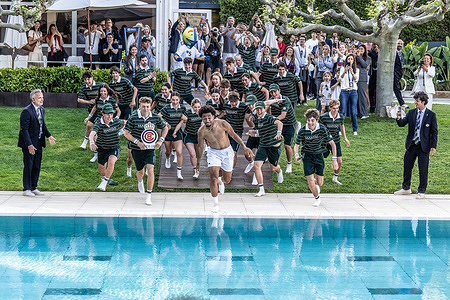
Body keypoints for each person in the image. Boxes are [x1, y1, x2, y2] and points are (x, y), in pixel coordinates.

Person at [197, 105, 253, 212]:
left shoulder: (222, 123)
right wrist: (198, 162)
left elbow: (233, 135)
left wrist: (245, 147)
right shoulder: (201, 131)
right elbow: (200, 147)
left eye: (209, 117)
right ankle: (215, 204)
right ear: (202, 118)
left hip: (227, 152)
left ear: (213, 116)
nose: (207, 120)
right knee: (213, 177)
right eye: (204, 118)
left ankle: (221, 181)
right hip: (213, 153)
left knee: (227, 180)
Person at [124, 97, 169, 205]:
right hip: (137, 148)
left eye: (148, 106)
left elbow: (165, 127)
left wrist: (160, 140)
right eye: (143, 106)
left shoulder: (155, 117)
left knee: (150, 170)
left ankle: (148, 195)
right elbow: (126, 132)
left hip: (150, 149)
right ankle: (140, 182)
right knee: (140, 171)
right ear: (139, 106)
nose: (145, 109)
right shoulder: (133, 117)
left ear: (150, 107)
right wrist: (137, 142)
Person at [394, 91, 437, 199]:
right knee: (407, 167)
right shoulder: (411, 113)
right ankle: (406, 188)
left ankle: (421, 191)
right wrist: (399, 118)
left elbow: (434, 132)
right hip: (412, 144)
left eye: (417, 101)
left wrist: (433, 146)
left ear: (423, 102)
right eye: (415, 100)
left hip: (424, 146)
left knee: (423, 169)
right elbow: (402, 124)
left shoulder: (431, 115)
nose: (415, 103)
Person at [294, 109, 338, 207]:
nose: (310, 123)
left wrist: (334, 159)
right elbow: (296, 144)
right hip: (307, 156)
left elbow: (332, 144)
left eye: (312, 120)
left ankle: (315, 186)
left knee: (319, 183)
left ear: (317, 120)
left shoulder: (322, 129)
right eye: (308, 120)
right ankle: (317, 198)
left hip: (319, 155)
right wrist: (296, 154)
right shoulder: (302, 130)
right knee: (310, 180)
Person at [18, 89, 56, 197]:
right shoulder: (27, 111)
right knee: (29, 165)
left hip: (39, 142)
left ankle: (33, 187)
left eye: (42, 97)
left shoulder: (41, 109)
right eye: (40, 98)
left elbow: (42, 125)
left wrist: (49, 136)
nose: (42, 99)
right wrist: (29, 145)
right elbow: (24, 130)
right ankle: (26, 189)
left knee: (36, 165)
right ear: (33, 99)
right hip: (29, 143)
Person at [248, 101, 284, 197]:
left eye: (260, 109)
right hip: (263, 145)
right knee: (257, 165)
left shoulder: (269, 117)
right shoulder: (258, 119)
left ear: (265, 109)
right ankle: (261, 189)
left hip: (273, 146)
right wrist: (254, 133)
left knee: (273, 167)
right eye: (257, 109)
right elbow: (262, 132)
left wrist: (279, 132)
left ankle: (279, 171)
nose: (259, 111)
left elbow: (279, 123)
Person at [109, 66, 138, 177]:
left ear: (119, 74)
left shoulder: (125, 80)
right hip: (119, 104)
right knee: (119, 119)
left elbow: (135, 89)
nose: (115, 75)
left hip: (129, 103)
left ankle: (125, 132)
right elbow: (112, 94)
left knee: (128, 121)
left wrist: (133, 100)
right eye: (113, 74)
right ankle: (121, 131)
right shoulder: (111, 83)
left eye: (116, 73)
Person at [89, 104, 124, 191]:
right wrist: (92, 142)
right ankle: (104, 179)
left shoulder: (116, 121)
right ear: (103, 114)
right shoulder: (99, 123)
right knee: (102, 167)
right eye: (108, 114)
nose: (110, 116)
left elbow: (126, 122)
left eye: (111, 114)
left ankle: (104, 182)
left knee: (111, 161)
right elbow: (92, 133)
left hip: (114, 146)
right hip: (102, 148)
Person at [264, 84, 297, 174]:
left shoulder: (285, 100)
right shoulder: (271, 100)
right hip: (277, 123)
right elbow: (266, 109)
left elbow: (283, 115)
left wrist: (272, 120)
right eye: (271, 92)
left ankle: (289, 163)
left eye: (275, 91)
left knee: (287, 146)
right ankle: (271, 158)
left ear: (279, 91)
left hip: (289, 124)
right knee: (271, 142)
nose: (273, 93)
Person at [319, 99, 350, 185]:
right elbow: (320, 129)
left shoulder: (340, 117)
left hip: (336, 141)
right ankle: (318, 176)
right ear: (329, 108)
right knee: (320, 159)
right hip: (325, 141)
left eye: (337, 108)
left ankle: (335, 178)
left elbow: (342, 127)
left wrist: (345, 138)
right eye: (333, 108)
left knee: (339, 161)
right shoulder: (323, 117)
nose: (335, 110)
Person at [159, 92, 186, 179]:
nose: (175, 101)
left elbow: (185, 119)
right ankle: (167, 158)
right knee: (168, 151)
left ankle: (179, 172)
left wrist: (185, 119)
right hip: (167, 132)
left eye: (176, 100)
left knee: (179, 152)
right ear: (170, 100)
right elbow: (159, 116)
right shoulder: (167, 107)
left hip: (177, 132)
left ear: (179, 100)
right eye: (173, 100)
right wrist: (166, 123)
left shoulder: (182, 108)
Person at [174, 98, 203, 178]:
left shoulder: (202, 113)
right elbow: (181, 123)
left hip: (198, 136)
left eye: (198, 107)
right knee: (192, 154)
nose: (197, 109)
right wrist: (175, 131)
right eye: (195, 107)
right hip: (188, 135)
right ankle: (195, 171)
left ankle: (197, 168)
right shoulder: (187, 113)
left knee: (198, 155)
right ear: (192, 106)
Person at [222, 91, 252, 167]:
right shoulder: (226, 105)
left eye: (235, 102)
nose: (233, 104)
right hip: (227, 131)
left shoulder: (244, 106)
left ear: (238, 99)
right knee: (224, 150)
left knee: (233, 152)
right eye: (231, 102)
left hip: (237, 131)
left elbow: (251, 112)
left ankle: (231, 170)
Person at [78, 71, 104, 154]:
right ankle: (90, 144)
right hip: (91, 109)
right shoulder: (84, 87)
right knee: (91, 127)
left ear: (92, 78)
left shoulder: (100, 85)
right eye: (85, 79)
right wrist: (89, 102)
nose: (87, 81)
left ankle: (87, 143)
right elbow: (79, 100)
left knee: (90, 125)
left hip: (100, 110)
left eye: (88, 79)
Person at [339, 53, 359, 135]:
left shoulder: (357, 70)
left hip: (353, 91)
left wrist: (352, 72)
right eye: (348, 59)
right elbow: (340, 78)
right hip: (344, 90)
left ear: (353, 61)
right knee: (342, 110)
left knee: (353, 111)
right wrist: (345, 71)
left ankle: (355, 129)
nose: (350, 60)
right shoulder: (342, 68)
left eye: (351, 59)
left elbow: (356, 80)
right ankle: (340, 129)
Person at [356, 44, 371, 119]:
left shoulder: (368, 58)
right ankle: (359, 112)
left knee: (362, 95)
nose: (360, 50)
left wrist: (359, 56)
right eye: (359, 49)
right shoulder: (356, 57)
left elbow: (364, 65)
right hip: (355, 77)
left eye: (362, 49)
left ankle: (364, 113)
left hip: (362, 78)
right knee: (357, 95)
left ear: (365, 50)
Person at [394, 39, 405, 106]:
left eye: (401, 44)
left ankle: (402, 103)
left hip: (399, 73)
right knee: (396, 88)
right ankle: (402, 103)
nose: (400, 45)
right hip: (394, 73)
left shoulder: (402, 53)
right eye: (398, 43)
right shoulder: (393, 53)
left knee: (396, 88)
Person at [368, 44, 378, 113]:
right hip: (372, 73)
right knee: (371, 91)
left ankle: (376, 106)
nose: (376, 48)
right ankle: (372, 107)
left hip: (379, 74)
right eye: (375, 47)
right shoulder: (371, 53)